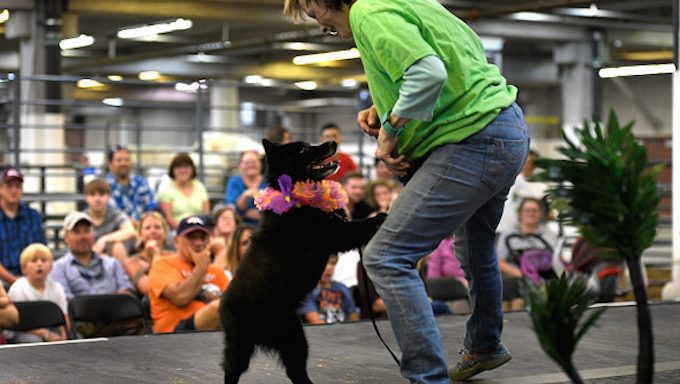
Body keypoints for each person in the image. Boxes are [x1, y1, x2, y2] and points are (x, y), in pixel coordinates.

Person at [283, 1, 530, 382]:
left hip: (472, 142)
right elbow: (458, 57)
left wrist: (392, 129)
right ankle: (484, 345)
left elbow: (428, 73)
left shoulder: (367, 12)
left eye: (317, 16)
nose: (321, 26)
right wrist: (383, 107)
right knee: (474, 248)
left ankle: (427, 377)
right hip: (505, 130)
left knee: (385, 257)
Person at [147, 215, 230, 333]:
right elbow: (180, 297)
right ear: (176, 241)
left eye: (203, 237)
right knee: (218, 308)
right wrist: (201, 267)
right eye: (191, 237)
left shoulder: (216, 270)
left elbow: (232, 303)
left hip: (213, 334)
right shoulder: (163, 264)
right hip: (173, 333)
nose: (198, 243)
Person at [50, 212, 135, 301]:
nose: (82, 237)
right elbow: (64, 299)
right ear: (66, 237)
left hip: (113, 312)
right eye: (77, 232)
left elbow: (127, 290)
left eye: (86, 231)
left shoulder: (112, 264)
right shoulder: (59, 268)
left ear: (93, 234)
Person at [6, 244, 69, 343]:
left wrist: (65, 334)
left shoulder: (57, 287)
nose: (39, 264)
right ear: (23, 268)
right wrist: (46, 334)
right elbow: (17, 323)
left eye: (44, 261)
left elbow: (64, 318)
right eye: (34, 261)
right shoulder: (18, 288)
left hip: (52, 329)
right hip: (24, 331)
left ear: (51, 267)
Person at [0, 167, 47, 287]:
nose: (14, 190)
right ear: (1, 189)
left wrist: (30, 279)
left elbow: (41, 250)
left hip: (32, 278)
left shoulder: (33, 215)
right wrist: (16, 282)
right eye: (9, 186)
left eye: (18, 186)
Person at [83, 179, 137, 264]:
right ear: (86, 198)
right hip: (89, 258)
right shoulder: (81, 218)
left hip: (113, 259)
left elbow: (130, 231)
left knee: (118, 247)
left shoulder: (115, 214)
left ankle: (120, 276)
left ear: (109, 197)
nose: (97, 199)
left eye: (101, 194)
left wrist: (104, 240)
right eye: (92, 195)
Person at [497, 150, 550, 234]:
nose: (528, 165)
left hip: (529, 233)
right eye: (525, 161)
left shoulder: (542, 187)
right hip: (503, 230)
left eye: (532, 162)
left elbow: (548, 213)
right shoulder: (507, 180)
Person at [298, 254, 360, 324]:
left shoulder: (342, 288)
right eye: (325, 263)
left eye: (332, 263)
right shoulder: (306, 291)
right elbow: (316, 322)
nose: (329, 268)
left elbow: (354, 318)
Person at [123, 212, 173, 296]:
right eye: (147, 228)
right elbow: (147, 289)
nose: (153, 231)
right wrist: (156, 256)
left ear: (165, 233)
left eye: (157, 227)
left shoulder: (173, 256)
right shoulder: (131, 262)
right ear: (140, 235)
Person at [158, 153, 210, 230]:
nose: (183, 170)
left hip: (200, 229)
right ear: (173, 170)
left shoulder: (200, 186)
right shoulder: (166, 189)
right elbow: (168, 219)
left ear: (192, 169)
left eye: (186, 167)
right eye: (179, 167)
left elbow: (207, 214)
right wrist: (185, 230)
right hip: (177, 230)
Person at [105, 145, 157, 223]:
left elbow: (152, 209)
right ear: (110, 165)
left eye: (127, 160)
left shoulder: (141, 183)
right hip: (116, 231)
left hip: (142, 230)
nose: (123, 163)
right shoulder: (104, 187)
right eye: (119, 160)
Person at [224, 150, 266, 226]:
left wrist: (243, 213)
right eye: (246, 163)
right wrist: (245, 195)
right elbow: (232, 210)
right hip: (241, 227)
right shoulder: (234, 182)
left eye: (254, 162)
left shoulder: (267, 181)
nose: (250, 165)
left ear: (260, 164)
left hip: (265, 227)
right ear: (240, 165)